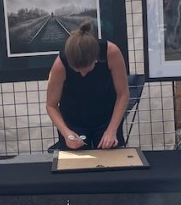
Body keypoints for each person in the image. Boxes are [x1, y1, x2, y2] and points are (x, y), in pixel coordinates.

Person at [45, 21, 129, 151]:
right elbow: (51, 105)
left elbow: (123, 95)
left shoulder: (111, 52)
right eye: (77, 71)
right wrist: (66, 133)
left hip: (107, 118)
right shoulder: (60, 64)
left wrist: (112, 130)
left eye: (87, 70)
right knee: (74, 160)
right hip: (73, 121)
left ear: (96, 58)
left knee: (111, 157)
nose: (82, 74)